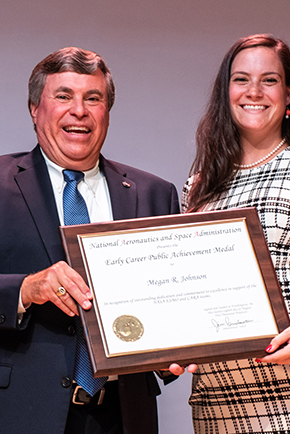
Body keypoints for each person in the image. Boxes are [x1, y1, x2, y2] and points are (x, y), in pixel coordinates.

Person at [0, 47, 180, 434]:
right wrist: (26, 289)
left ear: (107, 112)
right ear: (35, 109)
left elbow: (171, 302)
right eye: (63, 95)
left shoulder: (154, 194)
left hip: (123, 417)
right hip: (18, 412)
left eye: (93, 98)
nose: (79, 110)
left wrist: (176, 347)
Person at [182, 34, 290, 433]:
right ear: (226, 93)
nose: (254, 91)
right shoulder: (200, 186)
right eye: (241, 80)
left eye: (269, 80)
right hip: (220, 400)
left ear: (288, 93)